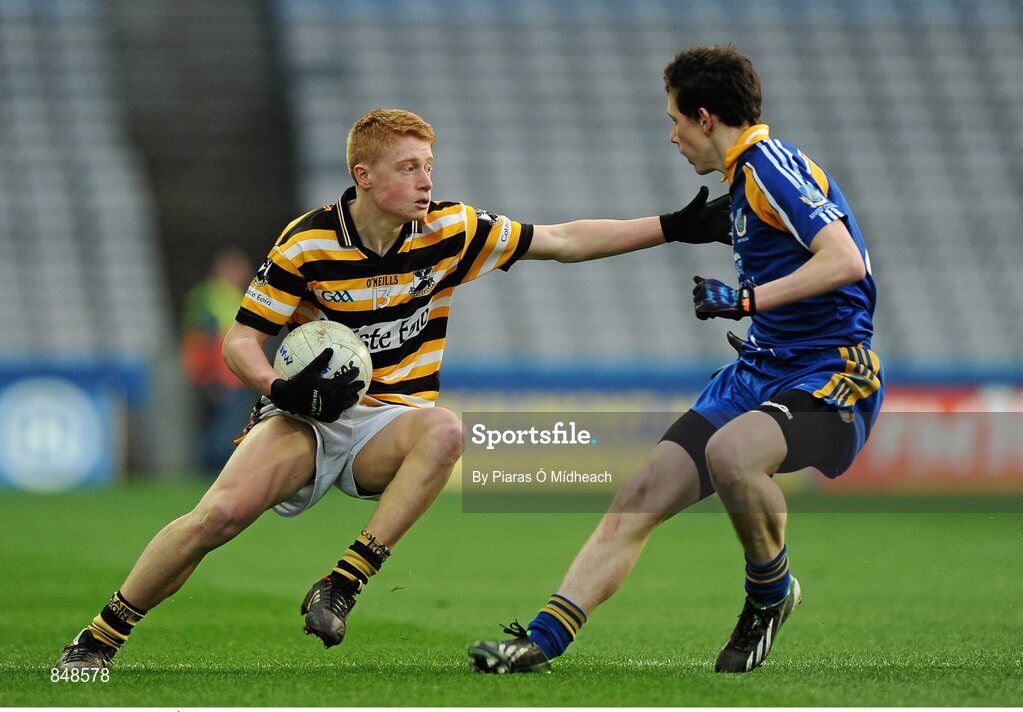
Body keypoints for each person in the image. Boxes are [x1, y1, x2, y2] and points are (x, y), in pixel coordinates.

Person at [53, 107, 731, 671]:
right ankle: (97, 640)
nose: (425, 179)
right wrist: (277, 390)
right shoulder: (306, 244)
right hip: (306, 419)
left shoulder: (449, 231)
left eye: (428, 165)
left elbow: (559, 240)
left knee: (444, 429)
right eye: (409, 167)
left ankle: (343, 583)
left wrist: (671, 227)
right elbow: (238, 340)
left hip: (391, 421)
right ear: (364, 176)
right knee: (216, 520)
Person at [468, 45, 882, 675]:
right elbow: (593, 240)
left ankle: (769, 596)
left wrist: (747, 298)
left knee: (732, 455)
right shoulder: (746, 182)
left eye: (676, 119)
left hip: (830, 373)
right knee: (642, 492)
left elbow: (845, 259)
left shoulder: (767, 165)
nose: (673, 135)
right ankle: (541, 641)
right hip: (759, 372)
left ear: (706, 117)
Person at [180, 247, 255, 474]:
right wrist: (209, 374)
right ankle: (213, 473)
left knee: (222, 427)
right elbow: (203, 338)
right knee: (221, 431)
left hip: (234, 374)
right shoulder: (209, 296)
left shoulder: (233, 295)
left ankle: (213, 473)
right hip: (219, 376)